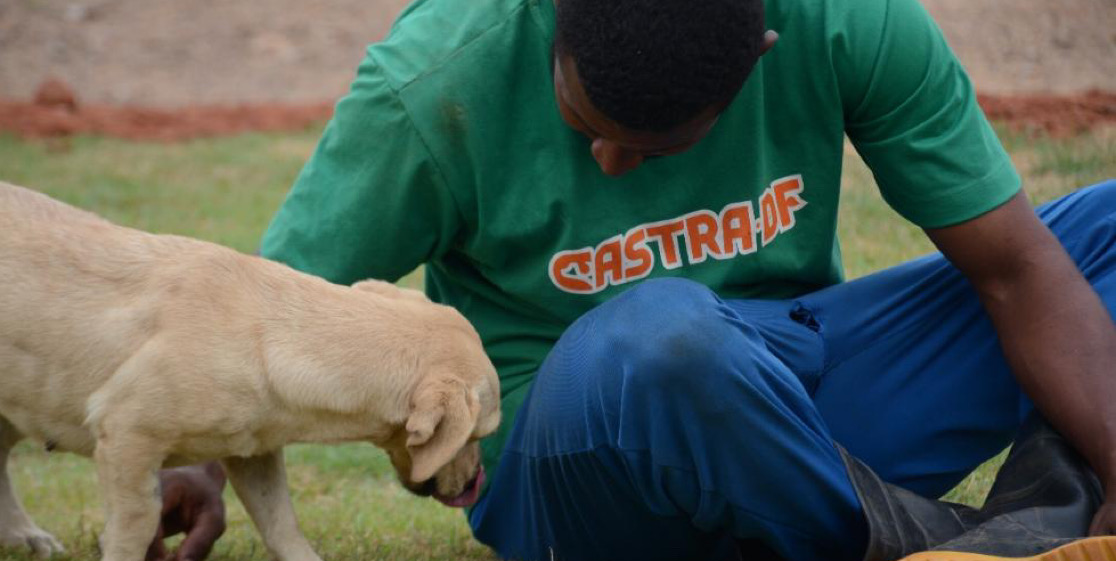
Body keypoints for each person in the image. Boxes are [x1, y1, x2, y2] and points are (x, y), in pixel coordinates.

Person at [161, 0, 1116, 559]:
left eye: (654, 147)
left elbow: (1019, 269)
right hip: (577, 451)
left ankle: (1065, 515)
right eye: (582, 122)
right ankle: (929, 543)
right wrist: (195, 455)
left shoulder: (838, 16)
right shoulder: (438, 75)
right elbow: (262, 312)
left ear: (759, 51)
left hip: (790, 402)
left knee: (1103, 232)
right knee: (660, 342)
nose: (609, 164)